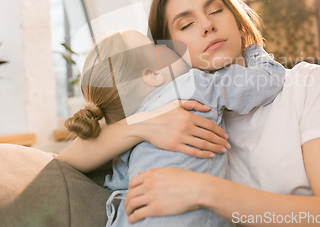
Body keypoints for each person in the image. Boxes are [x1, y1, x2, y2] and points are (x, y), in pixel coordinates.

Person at [57, 0, 320, 227]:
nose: (206, 25)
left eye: (216, 9)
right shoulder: (176, 118)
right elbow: (66, 161)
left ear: (237, 21)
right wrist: (143, 126)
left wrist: (202, 190)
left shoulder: (306, 83)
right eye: (185, 23)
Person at [65, 28, 285, 226]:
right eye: (155, 46)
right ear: (153, 75)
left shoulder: (121, 139)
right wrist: (252, 49)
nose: (166, 45)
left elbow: (116, 185)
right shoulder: (193, 84)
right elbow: (267, 81)